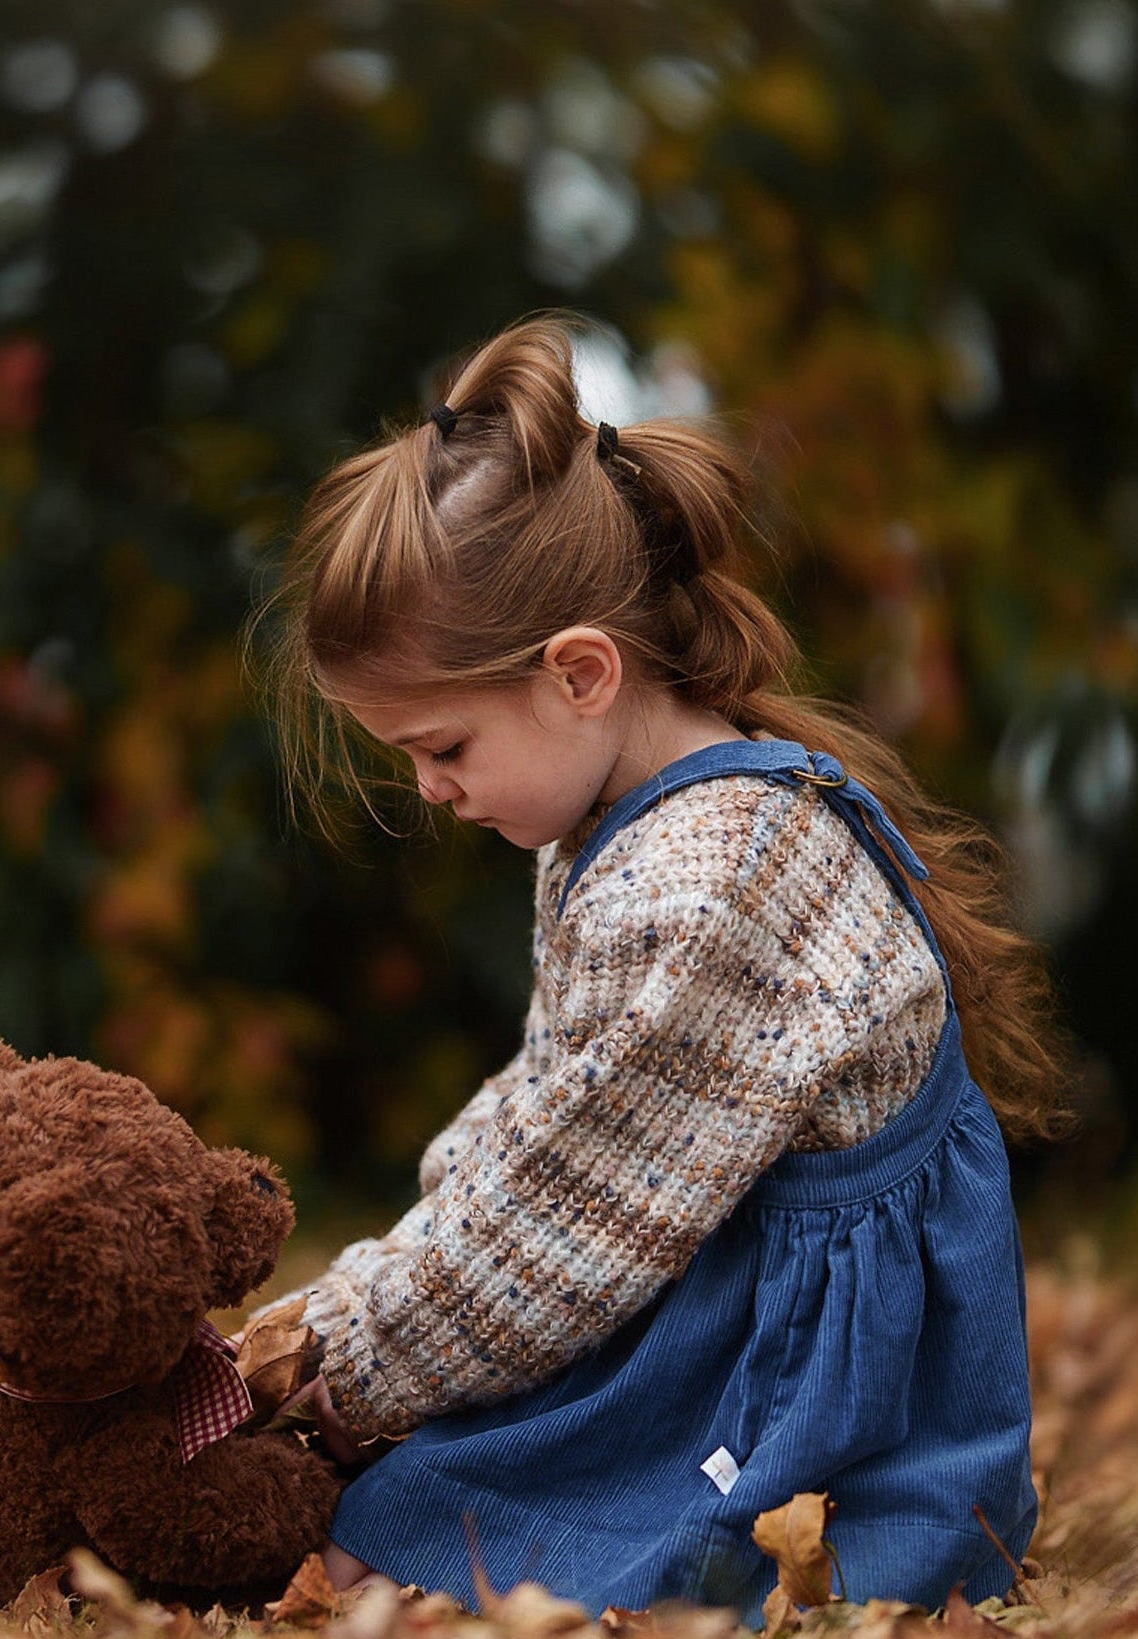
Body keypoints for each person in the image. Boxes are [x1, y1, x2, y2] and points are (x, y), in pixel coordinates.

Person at [253, 314, 1071, 1619]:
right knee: (388, 1507)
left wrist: (351, 1374)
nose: (429, 789)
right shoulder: (615, 823)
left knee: (392, 1544)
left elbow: (558, 1224)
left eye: (443, 745)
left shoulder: (708, 882)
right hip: (686, 1278)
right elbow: (547, 1122)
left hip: (799, 1370)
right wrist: (350, 1308)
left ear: (581, 672)